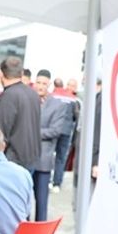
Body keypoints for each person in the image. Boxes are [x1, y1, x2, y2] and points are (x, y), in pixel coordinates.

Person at [0, 56, 40, 170]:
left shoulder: (8, 96)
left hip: (13, 159)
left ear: (1, 74)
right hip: (32, 156)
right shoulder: (33, 94)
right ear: (21, 73)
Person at [32, 70, 71, 221]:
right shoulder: (28, 100)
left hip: (43, 160)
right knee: (22, 203)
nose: (40, 86)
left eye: (44, 83)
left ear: (49, 85)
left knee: (41, 205)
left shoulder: (58, 105)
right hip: (24, 159)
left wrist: (30, 132)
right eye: (38, 82)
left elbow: (55, 131)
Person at [50, 78, 79, 192]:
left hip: (53, 129)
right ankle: (57, 183)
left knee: (49, 154)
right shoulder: (73, 99)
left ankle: (48, 180)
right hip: (66, 131)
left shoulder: (53, 95)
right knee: (61, 157)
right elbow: (76, 116)